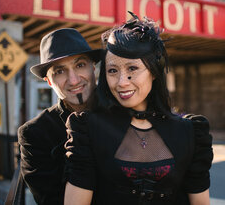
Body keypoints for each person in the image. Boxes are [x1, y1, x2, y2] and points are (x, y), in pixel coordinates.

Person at [64, 13, 214, 205]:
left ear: (153, 72)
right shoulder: (86, 129)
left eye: (132, 69)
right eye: (112, 71)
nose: (121, 82)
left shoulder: (190, 131)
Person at [17, 28, 102, 205]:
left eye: (80, 65)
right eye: (60, 71)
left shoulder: (121, 113)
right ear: (48, 81)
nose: (73, 80)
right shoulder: (34, 134)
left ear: (93, 67)